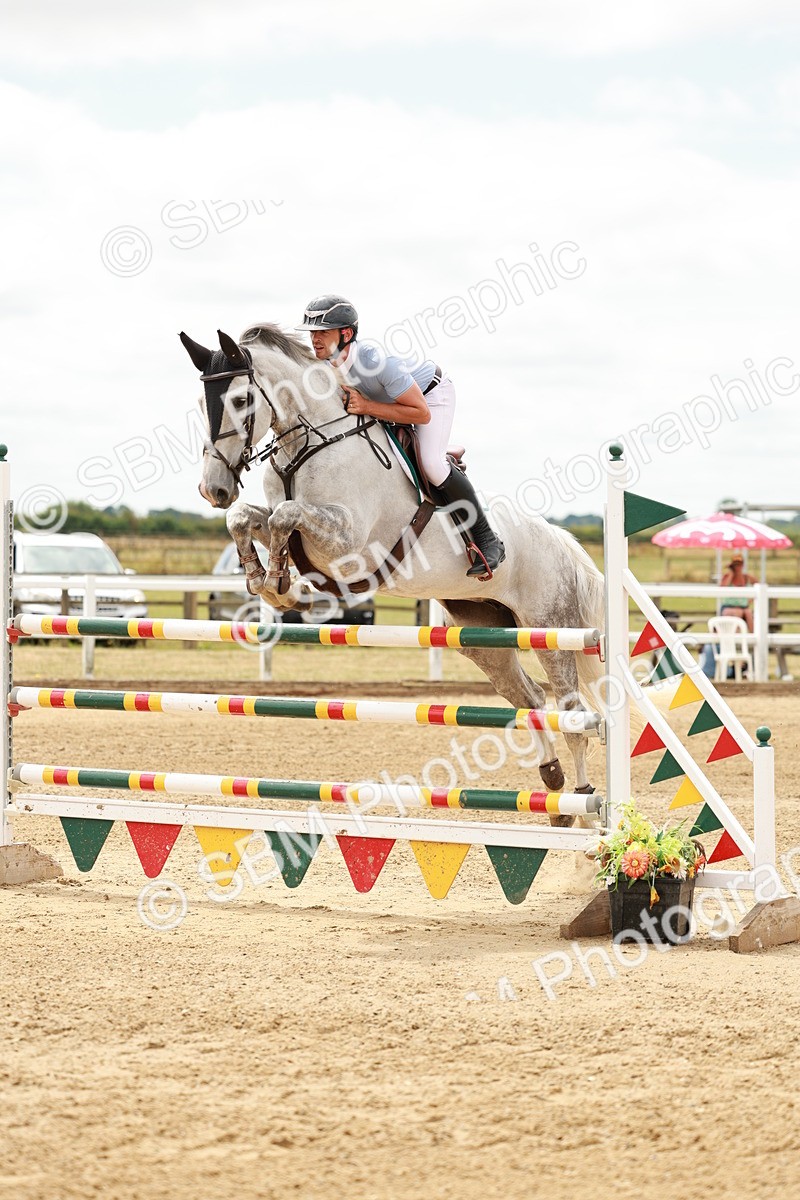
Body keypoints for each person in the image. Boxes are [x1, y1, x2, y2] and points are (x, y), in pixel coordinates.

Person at [296, 294, 505, 577]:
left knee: (432, 465)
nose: (315, 339)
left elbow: (421, 414)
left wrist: (367, 407)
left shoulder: (376, 361)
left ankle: (488, 540)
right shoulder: (323, 366)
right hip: (388, 404)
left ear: (346, 334)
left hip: (430, 397)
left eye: (323, 332)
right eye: (312, 332)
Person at [720, 553, 756, 632]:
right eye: (736, 565)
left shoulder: (746, 577)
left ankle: (753, 636)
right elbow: (722, 588)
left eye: (739, 564)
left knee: (748, 613)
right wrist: (731, 573)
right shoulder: (727, 577)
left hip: (743, 607)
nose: (738, 567)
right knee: (737, 613)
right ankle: (734, 637)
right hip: (729, 606)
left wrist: (749, 600)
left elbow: (758, 586)